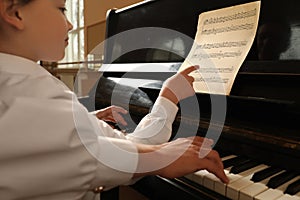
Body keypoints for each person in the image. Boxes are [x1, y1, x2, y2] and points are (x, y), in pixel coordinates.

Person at [0, 0, 229, 199]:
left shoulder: (21, 88)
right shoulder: (33, 94)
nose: (70, 24)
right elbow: (139, 147)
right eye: (61, 8)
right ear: (14, 12)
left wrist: (88, 120)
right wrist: (168, 99)